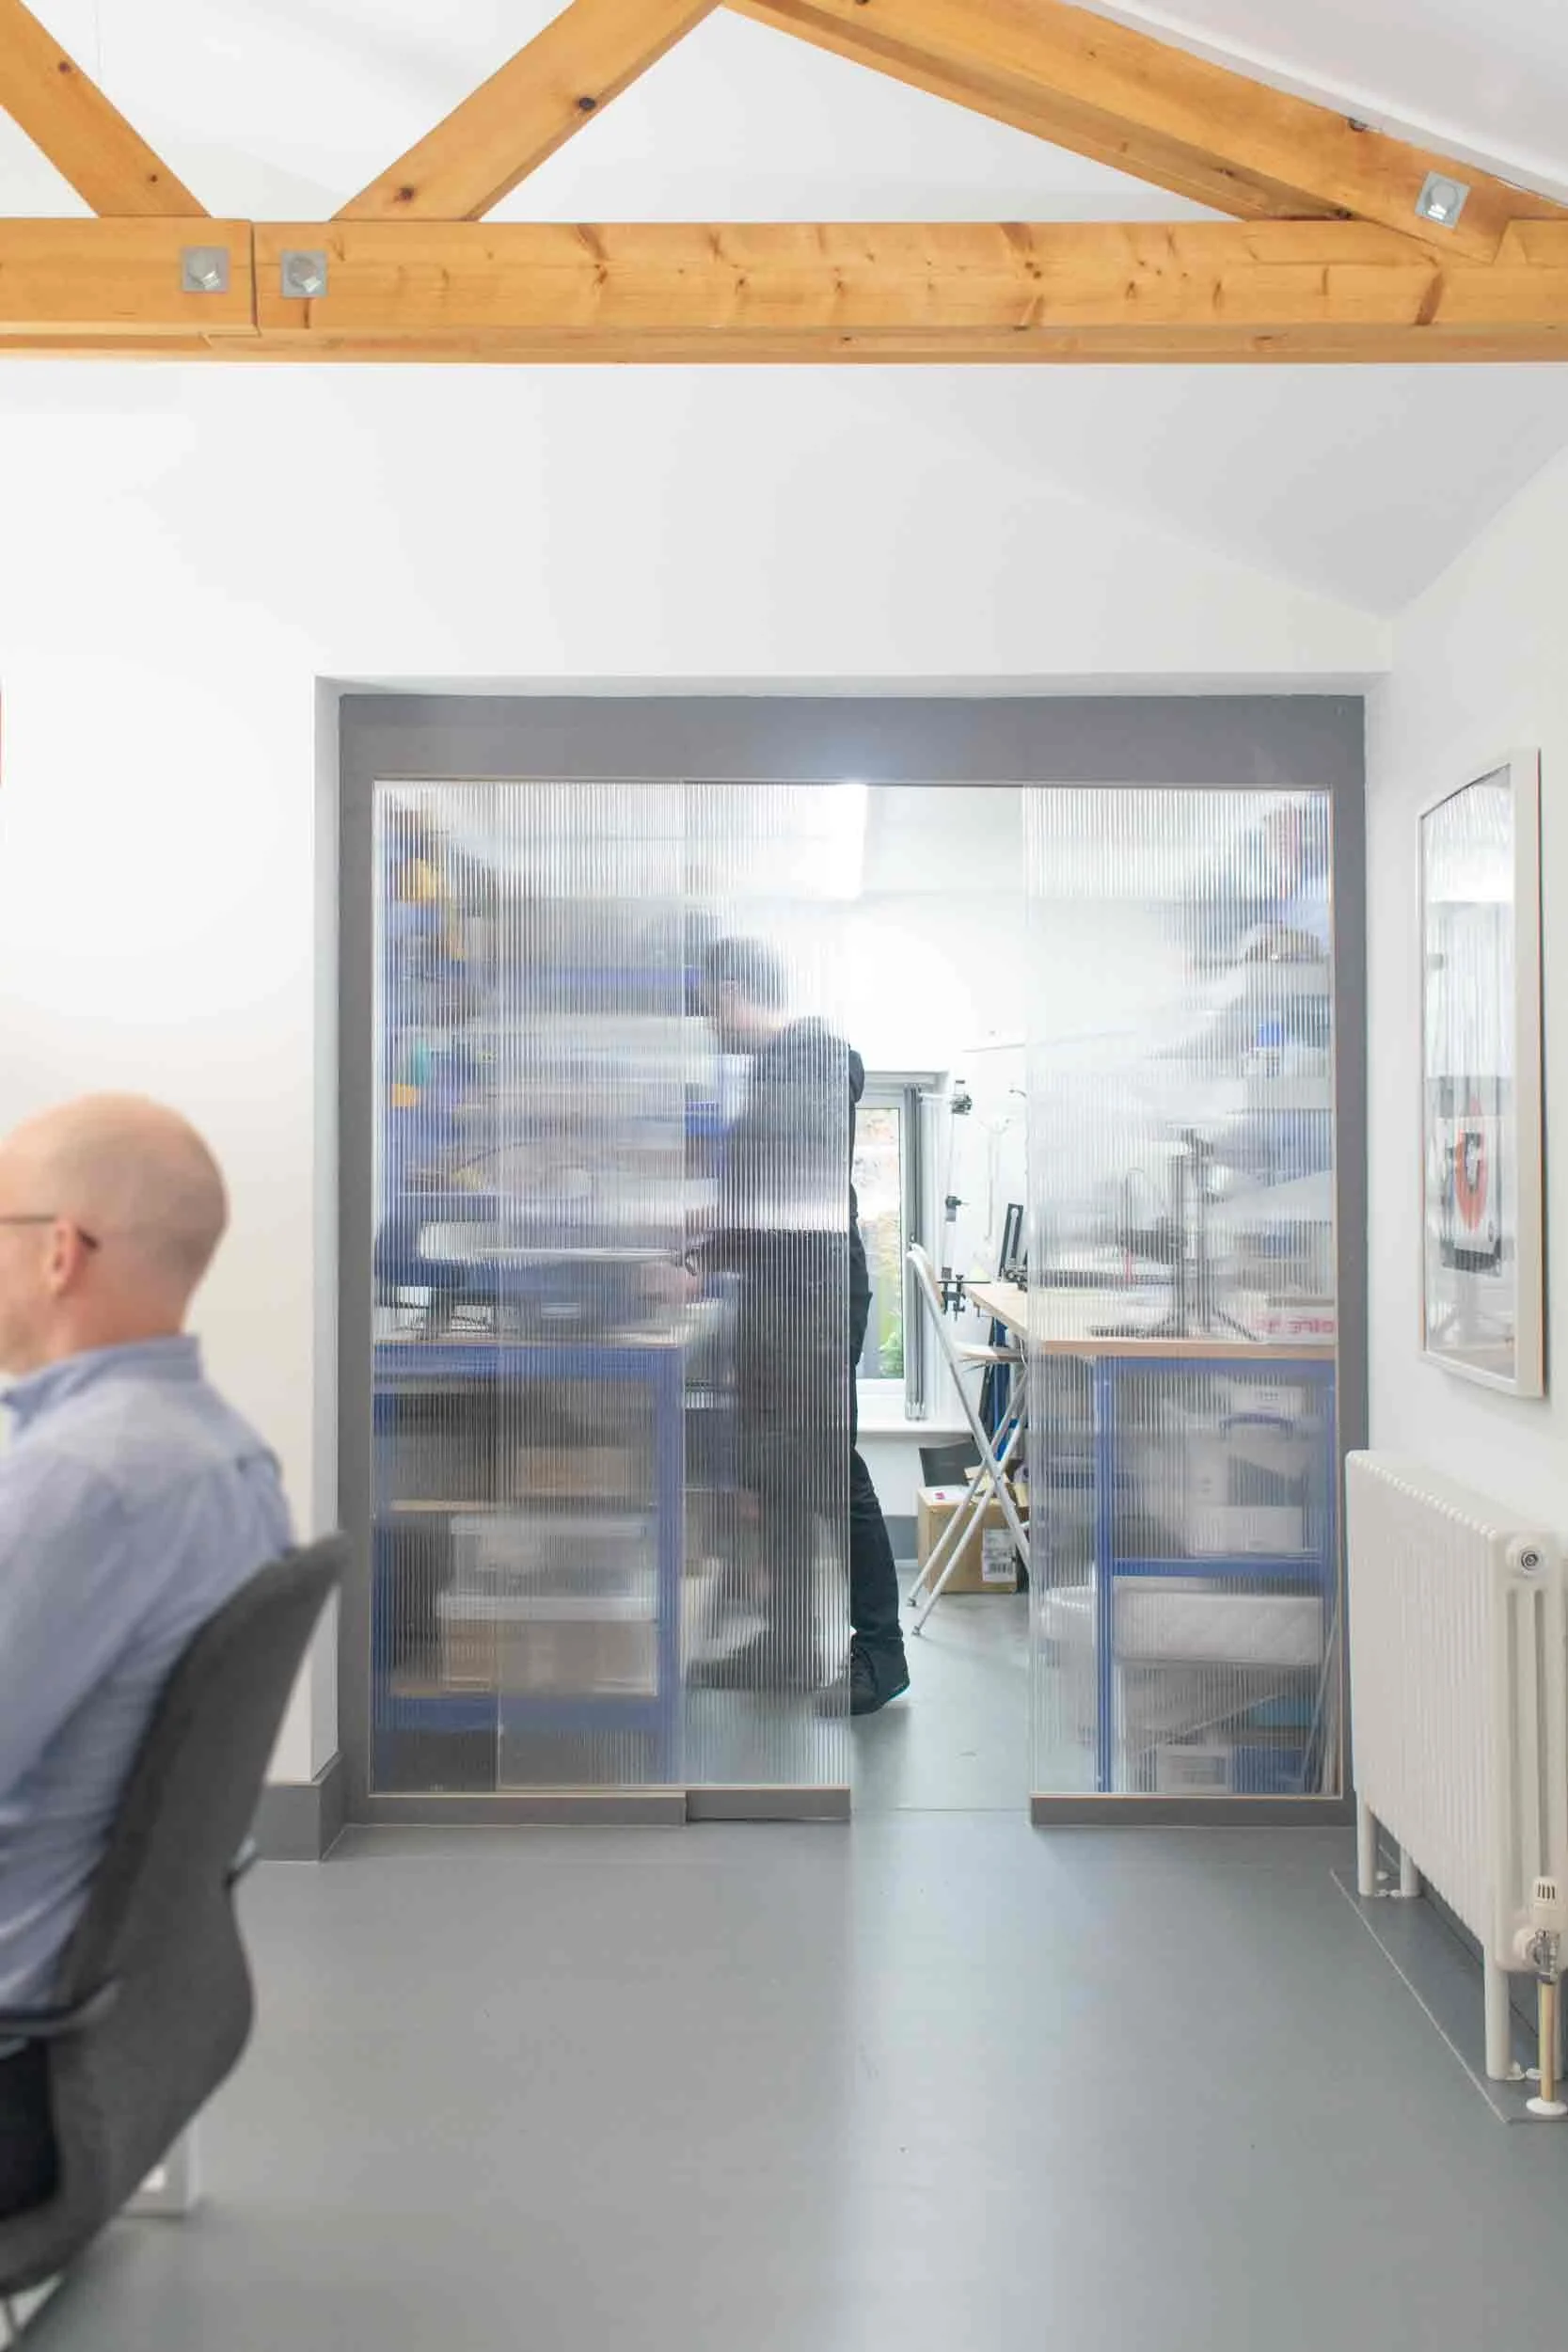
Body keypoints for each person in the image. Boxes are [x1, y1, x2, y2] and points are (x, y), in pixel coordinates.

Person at [0, 1096, 292, 2220]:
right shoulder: (226, 1457)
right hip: (115, 2030)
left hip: (26, 2069)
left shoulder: (82, 1481)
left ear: (58, 1251)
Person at [696, 939, 910, 1717]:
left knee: (825, 1467)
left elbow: (783, 1191)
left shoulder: (814, 1059)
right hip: (776, 1299)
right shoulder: (775, 1069)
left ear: (730, 991)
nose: (708, 1024)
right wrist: (706, 1246)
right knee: (774, 1469)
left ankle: (880, 1655)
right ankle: (785, 1643)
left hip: (810, 1302)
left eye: (707, 1005)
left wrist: (705, 1246)